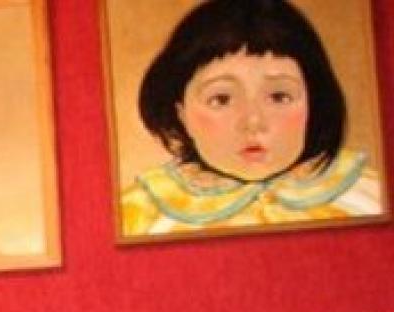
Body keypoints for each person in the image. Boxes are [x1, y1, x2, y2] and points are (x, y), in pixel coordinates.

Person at [120, 0, 383, 237]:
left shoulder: (369, 195)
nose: (253, 121)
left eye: (279, 97)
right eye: (221, 99)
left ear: (312, 103)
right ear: (181, 112)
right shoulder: (141, 214)